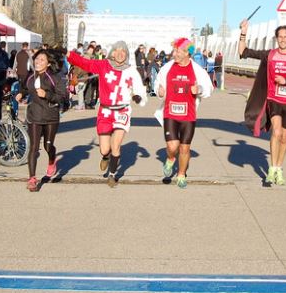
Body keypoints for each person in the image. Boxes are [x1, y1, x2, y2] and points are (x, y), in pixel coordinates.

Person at [239, 19, 286, 186]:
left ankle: (279, 168)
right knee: (277, 132)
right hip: (274, 99)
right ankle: (271, 169)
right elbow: (244, 52)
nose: (283, 40)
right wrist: (243, 32)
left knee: (285, 137)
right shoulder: (270, 55)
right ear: (276, 38)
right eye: (280, 37)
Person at [67, 40, 146, 187]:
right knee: (105, 149)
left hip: (123, 110)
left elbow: (139, 89)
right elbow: (85, 63)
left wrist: (138, 97)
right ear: (112, 53)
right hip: (105, 111)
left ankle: (112, 174)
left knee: (116, 145)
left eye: (124, 51)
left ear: (127, 54)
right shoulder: (104, 65)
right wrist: (69, 55)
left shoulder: (131, 70)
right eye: (117, 50)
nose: (120, 54)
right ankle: (105, 156)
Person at [155, 37, 212, 189]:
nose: (175, 54)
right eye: (175, 50)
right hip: (170, 114)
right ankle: (170, 158)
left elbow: (208, 88)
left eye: (179, 51)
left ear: (188, 53)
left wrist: (199, 89)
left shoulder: (197, 70)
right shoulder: (167, 68)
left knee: (185, 148)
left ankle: (181, 174)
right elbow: (158, 83)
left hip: (188, 116)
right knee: (173, 147)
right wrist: (159, 91)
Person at [15, 49, 69, 192]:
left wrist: (47, 94)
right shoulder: (30, 76)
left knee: (48, 146)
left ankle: (52, 160)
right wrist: (21, 93)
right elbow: (26, 88)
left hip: (51, 116)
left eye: (42, 60)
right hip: (34, 116)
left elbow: (62, 96)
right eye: (37, 59)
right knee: (33, 147)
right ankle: (32, 179)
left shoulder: (55, 77)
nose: (38, 62)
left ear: (49, 63)